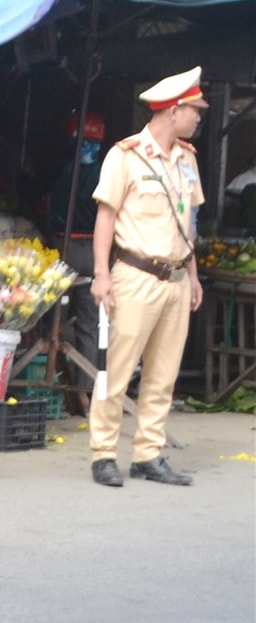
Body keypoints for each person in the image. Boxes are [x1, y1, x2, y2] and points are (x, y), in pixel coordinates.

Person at [86, 68, 208, 489]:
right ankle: (103, 453)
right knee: (116, 371)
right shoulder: (126, 155)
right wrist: (101, 275)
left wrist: (192, 274)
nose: (199, 117)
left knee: (163, 374)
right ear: (174, 111)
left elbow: (187, 222)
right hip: (135, 274)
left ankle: (148, 454)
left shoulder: (187, 159)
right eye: (195, 110)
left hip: (175, 278)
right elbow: (106, 217)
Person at [49, 111, 106, 367]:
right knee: (88, 324)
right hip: (94, 251)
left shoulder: (60, 173)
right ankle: (85, 386)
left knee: (52, 319)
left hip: (64, 248)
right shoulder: (105, 174)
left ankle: (51, 372)